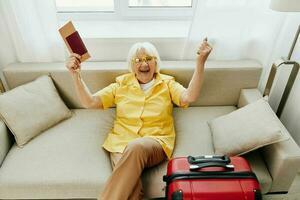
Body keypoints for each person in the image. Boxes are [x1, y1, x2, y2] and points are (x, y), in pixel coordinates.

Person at [65, 39, 212, 200]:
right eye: (138, 60)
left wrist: (200, 62)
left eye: (148, 59)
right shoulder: (120, 85)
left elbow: (189, 96)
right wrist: (75, 75)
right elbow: (90, 102)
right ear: (131, 65)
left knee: (135, 147)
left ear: (156, 63)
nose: (144, 64)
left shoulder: (167, 84)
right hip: (120, 145)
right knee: (132, 191)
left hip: (155, 142)